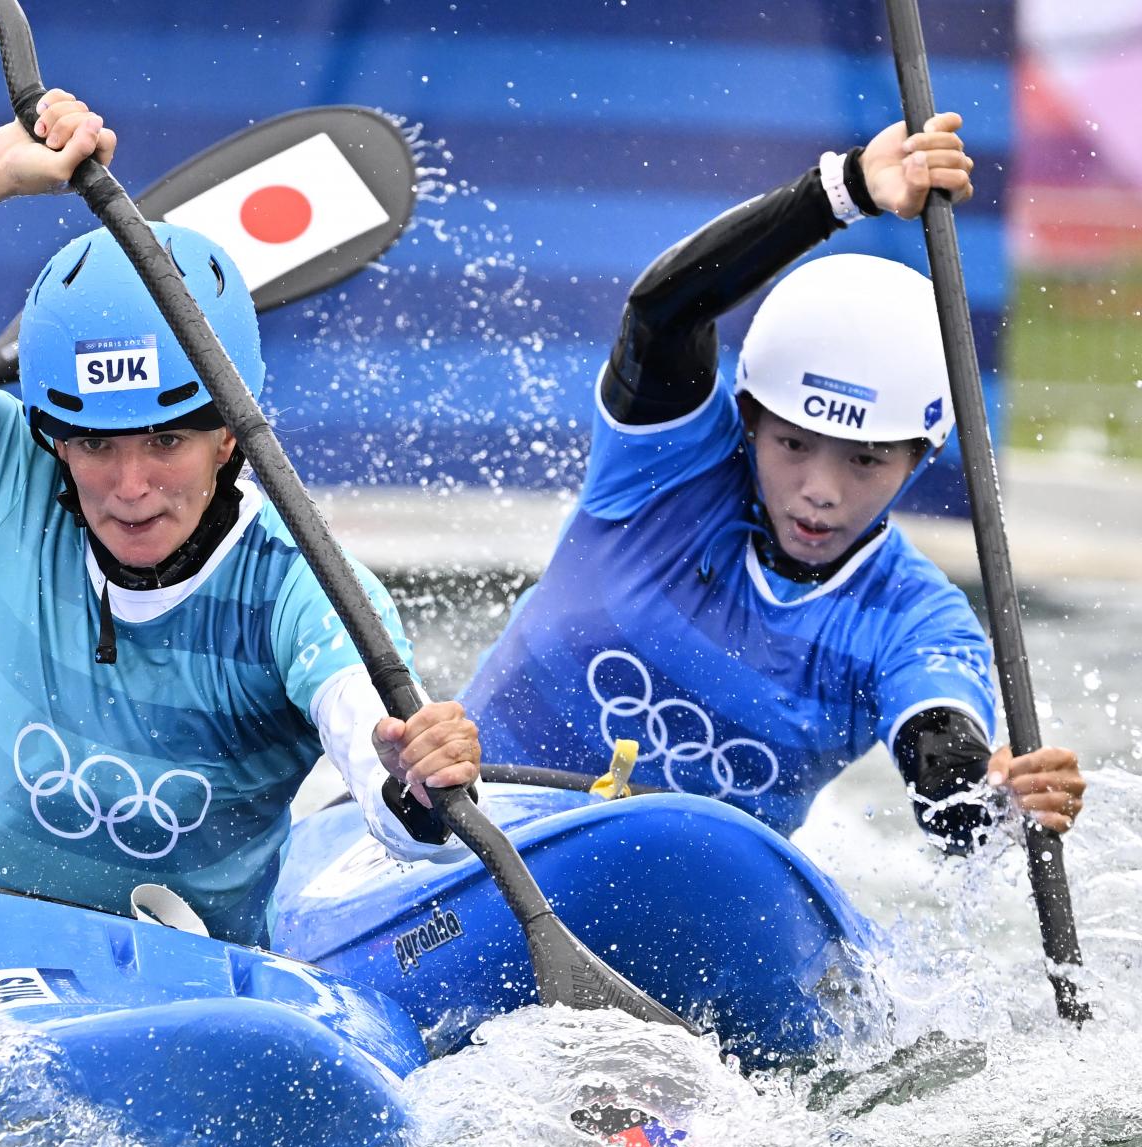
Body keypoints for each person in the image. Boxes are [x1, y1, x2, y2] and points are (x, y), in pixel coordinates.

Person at [0, 89, 482, 945]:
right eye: (96, 445)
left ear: (229, 437)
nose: (130, 486)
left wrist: (417, 782)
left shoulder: (304, 584)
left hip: (186, 1001)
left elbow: (391, 787)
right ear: (55, 434)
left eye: (167, 439)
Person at [459, 112, 1086, 848]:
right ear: (748, 418)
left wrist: (998, 806)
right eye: (793, 443)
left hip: (690, 905)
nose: (820, 490)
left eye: (865, 460)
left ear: (920, 457)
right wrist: (846, 189)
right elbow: (662, 313)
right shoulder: (667, 471)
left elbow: (946, 782)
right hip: (474, 830)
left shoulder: (916, 623)